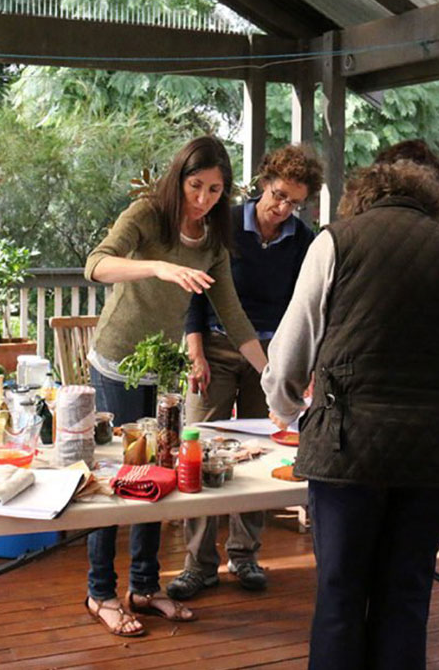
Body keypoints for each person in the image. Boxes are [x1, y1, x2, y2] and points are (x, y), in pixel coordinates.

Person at [262, 156, 439, 669]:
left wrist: (284, 413)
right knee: (407, 597)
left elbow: (288, 357)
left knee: (340, 597)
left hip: (348, 453)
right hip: (436, 458)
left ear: (360, 200)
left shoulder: (337, 241)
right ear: (431, 205)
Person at [82, 136, 268, 637]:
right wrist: (159, 266)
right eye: (196, 186)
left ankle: (144, 585)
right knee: (115, 481)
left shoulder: (212, 239)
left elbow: (233, 314)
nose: (204, 199)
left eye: (215, 190)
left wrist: (271, 375)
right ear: (179, 177)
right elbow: (96, 264)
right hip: (118, 361)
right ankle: (100, 592)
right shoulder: (147, 214)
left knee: (156, 478)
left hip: (161, 366)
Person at [167, 143, 323, 600]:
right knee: (197, 445)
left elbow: (305, 307)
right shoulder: (226, 223)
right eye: (277, 195)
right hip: (214, 346)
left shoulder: (305, 240)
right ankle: (198, 564)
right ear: (262, 184)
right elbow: (194, 293)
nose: (283, 208)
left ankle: (244, 553)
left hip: (271, 357)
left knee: (260, 450)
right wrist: (194, 351)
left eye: (294, 201)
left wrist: (297, 365)